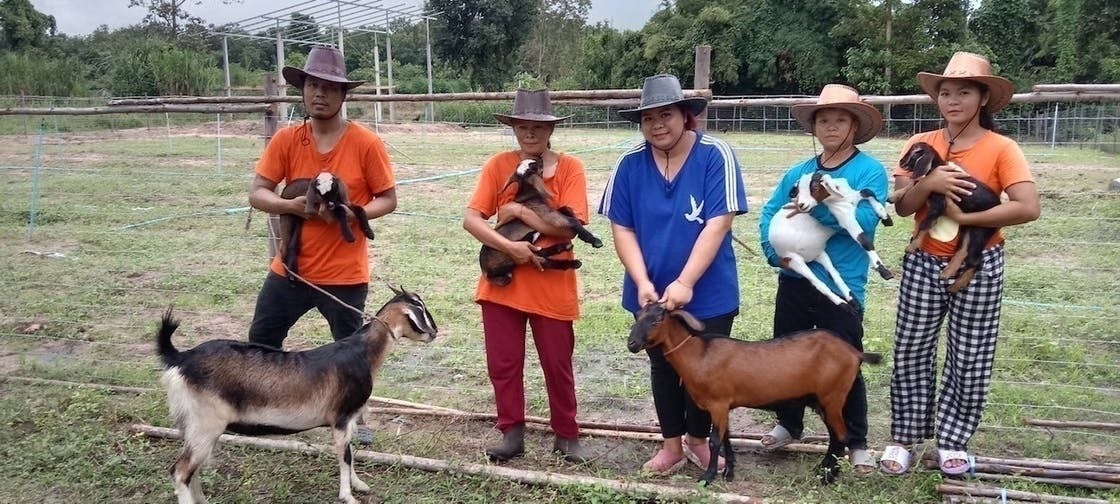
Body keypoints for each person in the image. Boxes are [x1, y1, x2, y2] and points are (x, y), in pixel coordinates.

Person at [879, 51, 1040, 476]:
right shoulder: (920, 144)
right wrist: (930, 182)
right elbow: (903, 206)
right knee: (911, 347)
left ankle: (953, 440)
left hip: (981, 259)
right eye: (946, 92)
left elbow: (1027, 207)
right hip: (924, 260)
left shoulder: (1002, 148)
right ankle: (904, 438)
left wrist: (967, 220)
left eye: (964, 92)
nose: (953, 100)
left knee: (971, 352)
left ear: (983, 98)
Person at [246, 45, 398, 445]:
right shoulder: (286, 140)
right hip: (290, 270)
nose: (320, 94)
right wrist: (289, 205)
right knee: (262, 341)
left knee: (353, 354)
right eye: (313, 85)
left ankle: (355, 418)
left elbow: (388, 199)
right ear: (303, 90)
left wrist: (353, 214)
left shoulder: (366, 143)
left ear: (343, 94)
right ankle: (262, 413)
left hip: (345, 274)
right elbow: (257, 193)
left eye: (330, 87)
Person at [598, 74, 748, 475]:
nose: (657, 125)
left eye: (666, 115)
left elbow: (719, 222)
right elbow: (622, 227)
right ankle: (670, 446)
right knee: (663, 365)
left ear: (685, 115)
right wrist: (642, 281)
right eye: (648, 118)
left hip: (709, 291)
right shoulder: (629, 164)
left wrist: (685, 283)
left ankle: (698, 441)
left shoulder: (716, 155)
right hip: (649, 292)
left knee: (705, 370)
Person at [756, 84, 888, 475]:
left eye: (840, 119)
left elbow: (864, 221)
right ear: (814, 126)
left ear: (854, 126)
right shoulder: (797, 172)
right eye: (824, 119)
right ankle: (789, 422)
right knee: (785, 353)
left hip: (841, 283)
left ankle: (856, 440)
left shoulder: (869, 172)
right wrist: (773, 252)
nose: (831, 126)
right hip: (795, 276)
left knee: (844, 359)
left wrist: (815, 208)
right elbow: (770, 211)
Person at [462, 89, 590, 464]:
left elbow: (567, 227)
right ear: (514, 128)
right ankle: (511, 433)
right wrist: (512, 248)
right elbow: (471, 219)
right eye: (522, 126)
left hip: (552, 285)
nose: (529, 132)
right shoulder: (498, 165)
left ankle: (566, 435)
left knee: (558, 363)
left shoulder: (570, 168)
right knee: (503, 363)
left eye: (537, 126)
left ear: (551, 129)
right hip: (502, 285)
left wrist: (516, 210)